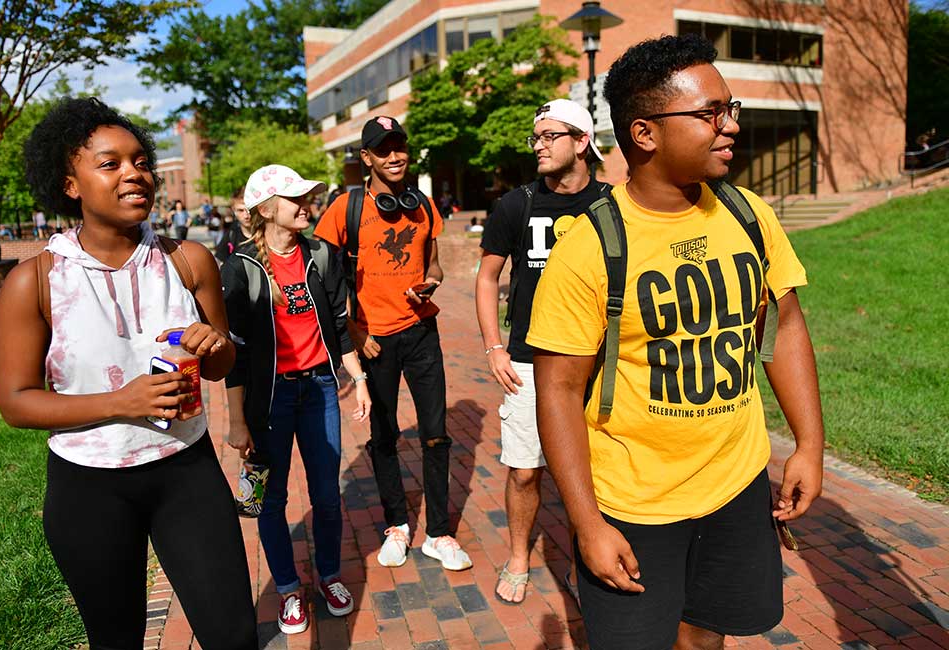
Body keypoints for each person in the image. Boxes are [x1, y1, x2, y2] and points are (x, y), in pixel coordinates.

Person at [526, 34, 824, 649]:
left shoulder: (750, 214)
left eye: (730, 107)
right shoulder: (589, 247)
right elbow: (557, 390)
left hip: (736, 485)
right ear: (645, 134)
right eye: (710, 113)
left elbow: (786, 328)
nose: (731, 125)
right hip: (632, 503)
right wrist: (586, 525)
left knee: (706, 636)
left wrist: (809, 446)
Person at [0, 97, 258, 649]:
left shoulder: (189, 260)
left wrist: (213, 346)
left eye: (140, 161)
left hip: (187, 471)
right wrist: (122, 401)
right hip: (89, 486)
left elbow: (224, 365)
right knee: (116, 641)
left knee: (232, 634)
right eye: (110, 164)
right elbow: (16, 402)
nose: (135, 174)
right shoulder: (34, 281)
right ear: (70, 184)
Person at [314, 116, 471, 571]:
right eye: (383, 150)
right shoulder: (346, 208)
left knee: (436, 435)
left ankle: (439, 533)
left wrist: (431, 283)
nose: (394, 156)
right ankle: (397, 526)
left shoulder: (421, 205)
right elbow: (321, 278)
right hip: (374, 340)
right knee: (383, 436)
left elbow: (436, 266)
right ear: (367, 158)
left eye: (399, 146)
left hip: (422, 331)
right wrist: (354, 331)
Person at [222, 164, 371, 635]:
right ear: (267, 209)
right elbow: (236, 356)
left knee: (327, 496)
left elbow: (339, 329)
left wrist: (359, 380)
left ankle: (328, 576)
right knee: (271, 500)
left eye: (308, 197)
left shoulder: (323, 255)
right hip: (270, 401)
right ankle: (288, 589)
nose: (307, 206)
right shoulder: (240, 266)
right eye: (296, 199)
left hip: (320, 391)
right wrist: (236, 422)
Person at [475, 98, 605, 604]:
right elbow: (488, 278)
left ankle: (584, 560)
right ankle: (518, 556)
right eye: (537, 137)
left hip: (596, 359)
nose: (541, 145)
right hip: (528, 358)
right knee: (526, 469)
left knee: (592, 470)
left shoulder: (612, 203)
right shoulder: (517, 204)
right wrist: (492, 347)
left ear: (582, 142)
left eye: (552, 135)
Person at [215, 190, 253, 263]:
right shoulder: (231, 234)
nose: (246, 216)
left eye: (249, 210)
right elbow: (219, 261)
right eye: (241, 210)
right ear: (233, 210)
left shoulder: (267, 233)